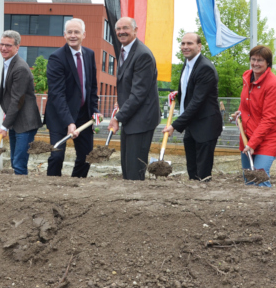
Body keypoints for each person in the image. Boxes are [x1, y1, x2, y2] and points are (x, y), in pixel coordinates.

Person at [44, 19, 99, 177]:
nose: (73, 35)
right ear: (64, 35)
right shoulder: (57, 58)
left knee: (87, 157)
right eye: (69, 32)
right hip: (59, 116)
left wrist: (94, 110)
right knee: (56, 155)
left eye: (76, 32)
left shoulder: (89, 54)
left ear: (84, 35)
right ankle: (52, 188)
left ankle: (75, 186)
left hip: (83, 115)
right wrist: (69, 122)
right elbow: (57, 94)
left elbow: (92, 87)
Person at [163, 33, 222, 181]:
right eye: (183, 44)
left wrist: (175, 125)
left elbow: (197, 101)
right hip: (191, 125)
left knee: (202, 173)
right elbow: (190, 89)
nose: (185, 47)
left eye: (189, 43)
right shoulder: (188, 63)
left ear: (199, 46)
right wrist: (180, 93)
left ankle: (204, 200)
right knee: (192, 169)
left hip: (205, 126)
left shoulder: (205, 68)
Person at [109, 17, 160, 181]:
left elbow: (138, 93)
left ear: (135, 30)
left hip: (141, 121)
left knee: (134, 171)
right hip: (132, 120)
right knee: (127, 167)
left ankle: (136, 203)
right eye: (118, 29)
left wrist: (117, 117)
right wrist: (120, 104)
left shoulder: (142, 55)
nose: (121, 31)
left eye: (126, 28)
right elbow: (129, 86)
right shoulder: (125, 51)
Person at [233, 45, 276, 187]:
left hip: (268, 137)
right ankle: (252, 209)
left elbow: (269, 119)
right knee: (249, 177)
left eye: (260, 60)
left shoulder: (273, 85)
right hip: (248, 134)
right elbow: (246, 103)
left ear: (268, 63)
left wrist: (252, 143)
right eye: (253, 59)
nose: (255, 63)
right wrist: (240, 112)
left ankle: (266, 208)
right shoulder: (247, 78)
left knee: (260, 177)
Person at [0, 30, 42, 175]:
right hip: (17, 121)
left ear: (17, 47)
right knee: (15, 160)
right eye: (1, 44)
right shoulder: (8, 63)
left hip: (25, 123)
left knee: (19, 163)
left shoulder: (20, 68)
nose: (3, 48)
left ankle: (21, 194)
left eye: (8, 45)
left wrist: (4, 126)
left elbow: (17, 100)